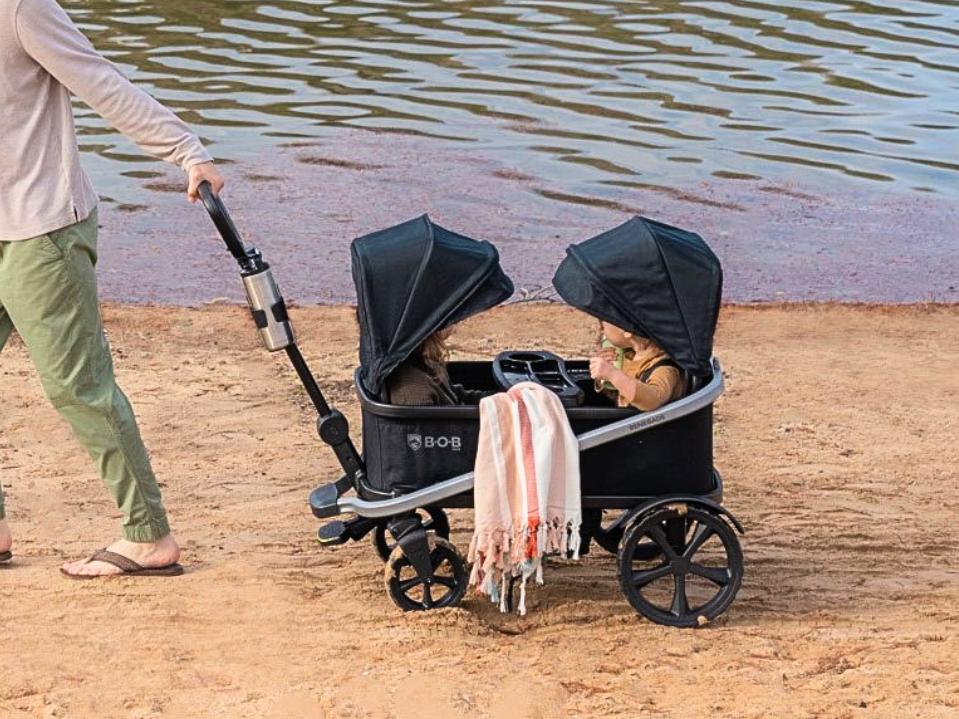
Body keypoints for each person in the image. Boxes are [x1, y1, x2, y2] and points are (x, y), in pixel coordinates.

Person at [0, 0, 224, 577]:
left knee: (80, 388)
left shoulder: (22, 9)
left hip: (39, 229)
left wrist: (185, 151)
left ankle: (149, 536)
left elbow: (102, 81)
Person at [589, 321, 685, 411]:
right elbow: (619, 397)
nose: (600, 330)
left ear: (627, 331)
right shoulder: (628, 356)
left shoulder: (664, 368)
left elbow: (652, 401)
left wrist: (613, 374)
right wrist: (602, 377)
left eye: (603, 326)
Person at [385, 329, 484, 406]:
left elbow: (456, 396)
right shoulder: (412, 389)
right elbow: (428, 430)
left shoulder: (427, 360)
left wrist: (492, 398)